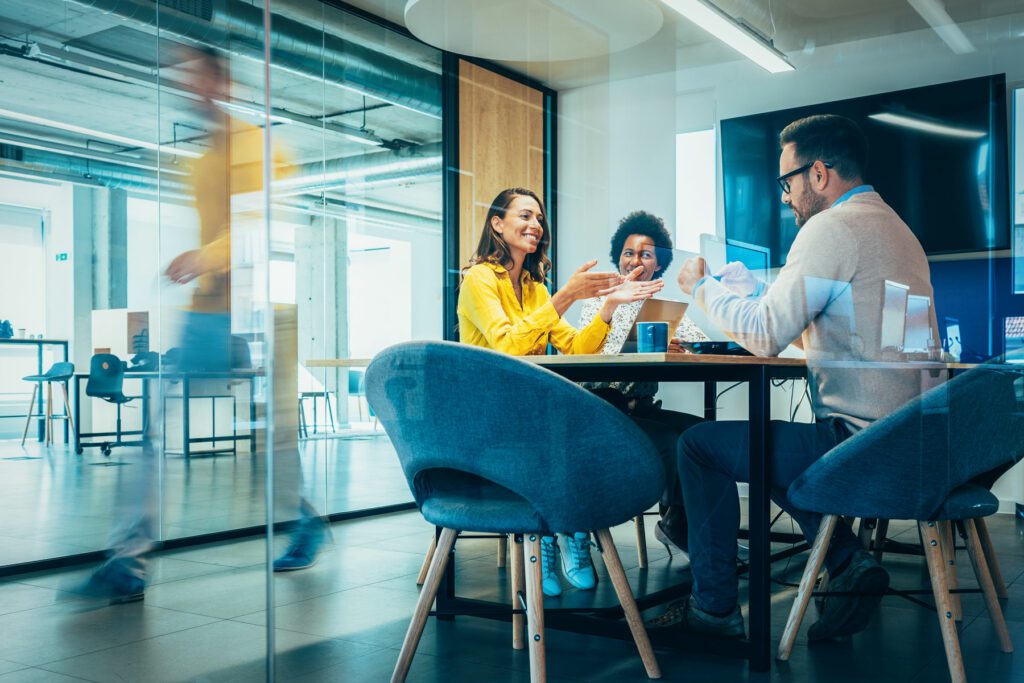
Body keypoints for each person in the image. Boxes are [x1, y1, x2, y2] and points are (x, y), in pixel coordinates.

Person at [651, 114, 937, 642]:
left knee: (698, 445)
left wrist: (703, 286)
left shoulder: (830, 227)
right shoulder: (899, 232)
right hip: (912, 440)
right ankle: (846, 560)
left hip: (860, 445)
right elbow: (893, 339)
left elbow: (762, 336)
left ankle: (713, 612)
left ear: (820, 173)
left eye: (788, 181)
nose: (785, 197)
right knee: (768, 443)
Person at [77, 47, 324, 603]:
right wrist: (201, 265)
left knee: (277, 434)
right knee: (155, 423)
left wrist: (203, 257)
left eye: (200, 76)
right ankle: (128, 560)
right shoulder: (201, 160)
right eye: (185, 79)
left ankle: (304, 519)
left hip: (262, 313)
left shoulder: (261, 148)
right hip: (208, 314)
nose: (193, 88)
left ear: (224, 82)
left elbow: (257, 230)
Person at [458, 187, 663, 597]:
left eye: (539, 219)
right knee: (576, 421)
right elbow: (507, 346)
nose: (536, 225)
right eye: (525, 216)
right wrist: (567, 295)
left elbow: (577, 348)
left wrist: (607, 307)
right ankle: (560, 530)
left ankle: (567, 529)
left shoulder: (534, 287)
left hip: (531, 406)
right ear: (497, 224)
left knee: (604, 406)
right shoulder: (479, 278)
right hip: (492, 412)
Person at [577, 210, 708, 558]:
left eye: (646, 254)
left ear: (658, 264)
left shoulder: (662, 307)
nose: (636, 260)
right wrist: (646, 337)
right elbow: (598, 353)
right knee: (672, 440)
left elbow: (698, 343)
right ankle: (675, 526)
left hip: (642, 410)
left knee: (704, 434)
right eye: (628, 253)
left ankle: (688, 527)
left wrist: (683, 344)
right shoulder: (599, 301)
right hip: (602, 409)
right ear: (618, 258)